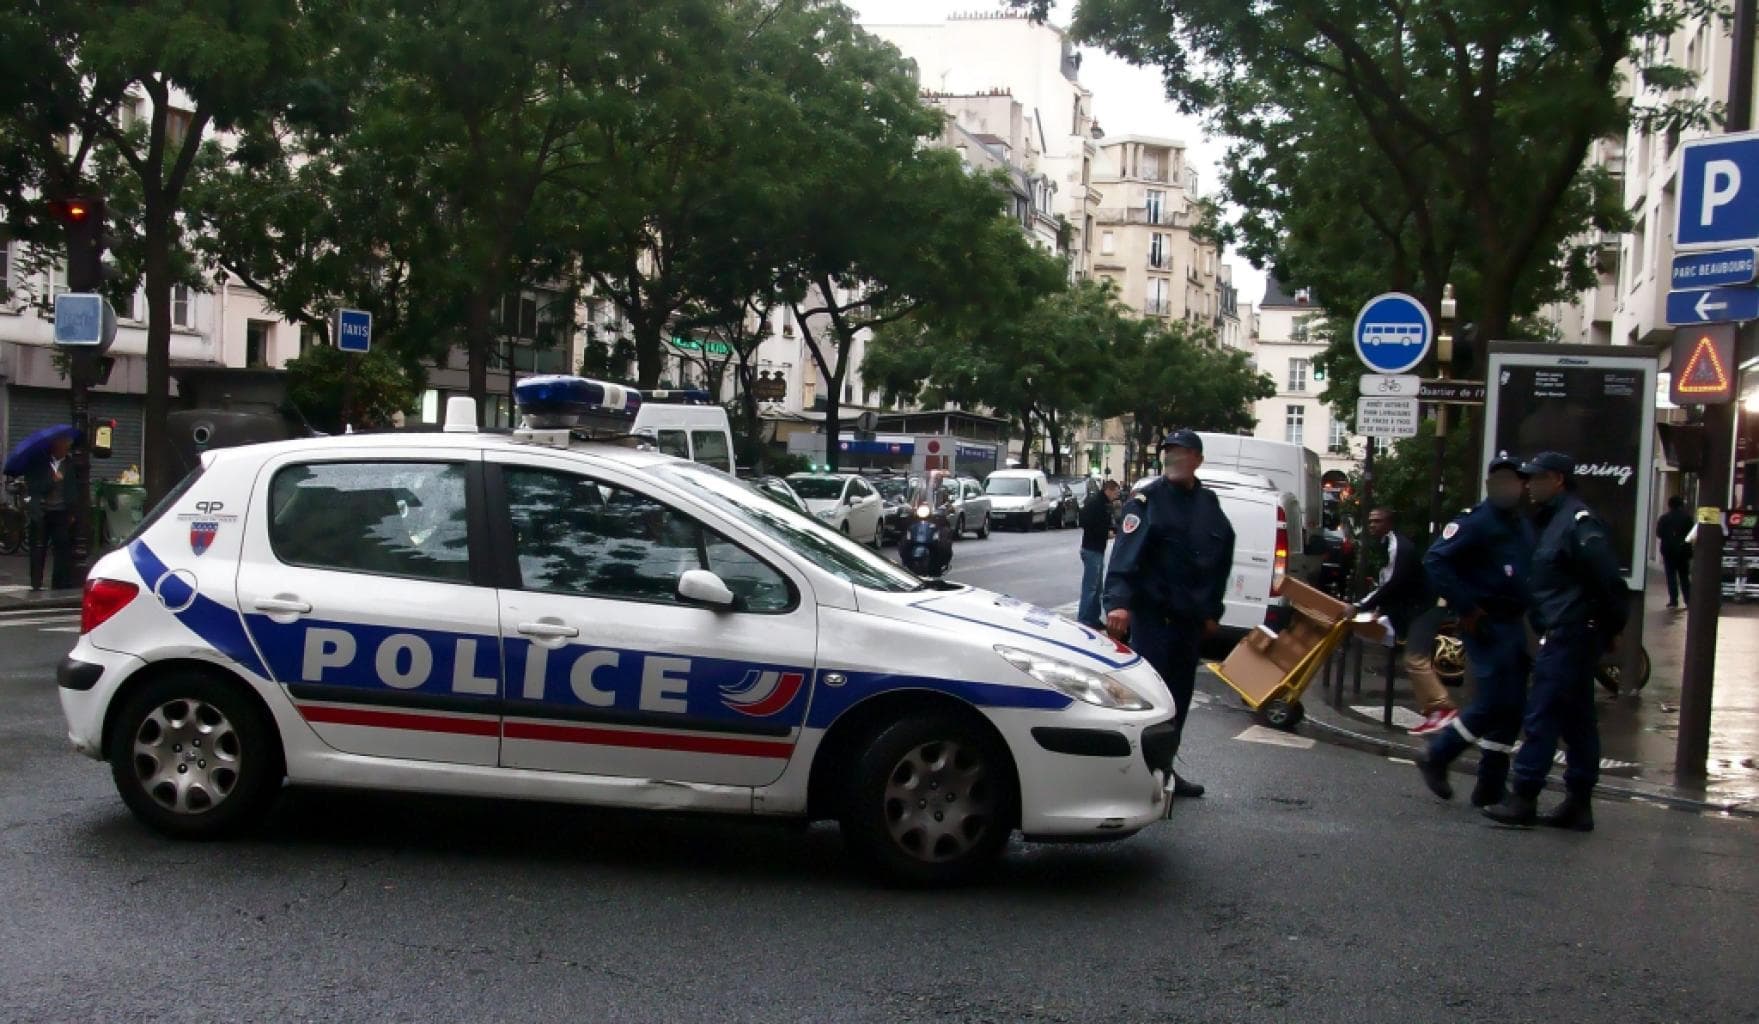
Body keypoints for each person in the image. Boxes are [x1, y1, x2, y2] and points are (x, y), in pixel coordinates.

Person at [1483, 452, 1627, 832]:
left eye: (1535, 479)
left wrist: (1609, 627)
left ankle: (1524, 796)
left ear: (1557, 480)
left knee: (1543, 711)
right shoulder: (1552, 521)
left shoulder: (1576, 523)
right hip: (1566, 629)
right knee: (1577, 717)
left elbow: (1607, 579)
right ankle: (1578, 803)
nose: (1528, 485)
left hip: (1572, 631)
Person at [1103, 430, 1235, 799]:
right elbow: (1126, 554)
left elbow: (1222, 557)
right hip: (1153, 618)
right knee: (1150, 700)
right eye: (1169, 453)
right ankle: (1136, 774)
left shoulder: (1208, 503)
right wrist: (1118, 602)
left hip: (1188, 622)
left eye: (1182, 453)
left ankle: (1165, 770)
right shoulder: (1147, 501)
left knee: (1178, 699)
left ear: (1197, 459)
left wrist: (1212, 609)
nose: (1173, 459)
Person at [1415, 453, 1537, 808]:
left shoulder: (1518, 522)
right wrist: (1466, 606)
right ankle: (1438, 754)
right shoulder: (1477, 521)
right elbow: (1436, 560)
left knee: (1512, 706)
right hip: (1487, 623)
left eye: (1514, 480)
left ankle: (1490, 784)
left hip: (1514, 622)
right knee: (1493, 702)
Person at [1354, 507, 1456, 736]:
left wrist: (1362, 606)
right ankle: (1433, 713)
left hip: (1426, 608)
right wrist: (1380, 609)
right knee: (1414, 659)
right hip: (1419, 607)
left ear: (1389, 523)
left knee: (1415, 658)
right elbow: (1392, 585)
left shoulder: (1397, 545)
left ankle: (1443, 708)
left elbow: (1392, 583)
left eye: (1377, 521)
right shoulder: (1387, 545)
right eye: (1370, 521)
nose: (1372, 525)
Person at [24, 434, 77, 591]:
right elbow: (34, 487)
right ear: (55, 445)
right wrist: (51, 480)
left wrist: (72, 512)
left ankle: (59, 583)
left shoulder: (70, 464)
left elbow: (73, 489)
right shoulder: (39, 464)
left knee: (62, 546)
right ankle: (36, 582)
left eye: (67, 444)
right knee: (38, 547)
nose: (66, 447)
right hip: (41, 511)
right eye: (63, 443)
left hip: (60, 511)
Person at [1076, 479, 1121, 628]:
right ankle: (1084, 619)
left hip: (1096, 548)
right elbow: (1088, 523)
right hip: (1092, 548)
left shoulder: (1101, 503)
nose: (1117, 495)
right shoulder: (1097, 503)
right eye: (1116, 492)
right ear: (1109, 490)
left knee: (1097, 587)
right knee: (1091, 587)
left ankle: (1093, 618)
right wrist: (1105, 533)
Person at [1655, 494, 1693, 609]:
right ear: (1681, 505)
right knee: (1684, 576)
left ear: (1669, 505)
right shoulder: (1687, 518)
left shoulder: (1664, 518)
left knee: (1671, 576)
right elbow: (1692, 534)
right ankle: (1688, 600)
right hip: (1683, 551)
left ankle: (1673, 600)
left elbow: (1659, 533)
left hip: (1668, 551)